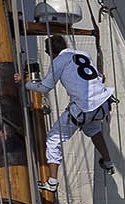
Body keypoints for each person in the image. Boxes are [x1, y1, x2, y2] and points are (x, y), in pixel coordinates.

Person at [25, 35, 115, 192]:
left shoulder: (59, 61)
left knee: (53, 138)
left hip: (83, 107)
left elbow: (45, 87)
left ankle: (52, 182)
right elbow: (100, 77)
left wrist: (26, 84)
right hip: (103, 103)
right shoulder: (83, 54)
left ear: (50, 51)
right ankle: (108, 162)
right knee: (93, 129)